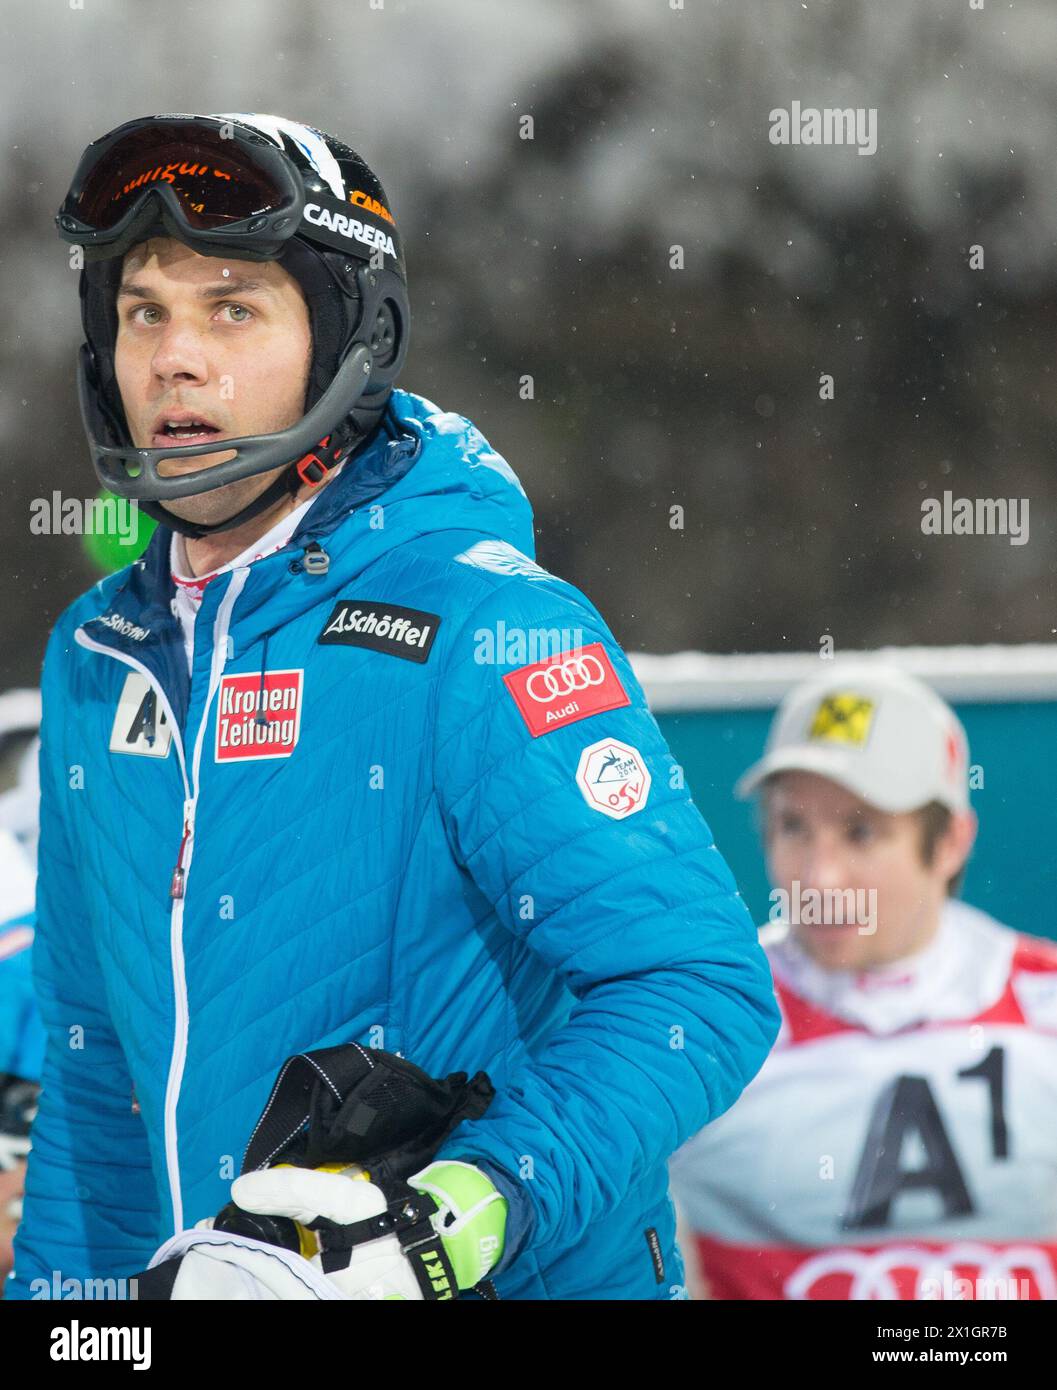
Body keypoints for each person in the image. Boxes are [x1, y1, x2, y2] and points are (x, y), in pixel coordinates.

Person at [5, 113, 779, 1300]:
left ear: (347, 341)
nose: (173, 357)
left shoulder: (488, 628)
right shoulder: (95, 655)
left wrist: (453, 1221)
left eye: (233, 309)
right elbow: (90, 1063)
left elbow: (696, 988)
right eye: (144, 309)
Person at [669, 664, 1057, 1301]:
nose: (819, 879)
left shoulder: (1042, 1011)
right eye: (794, 826)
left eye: (861, 831)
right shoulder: (708, 1026)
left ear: (952, 841)